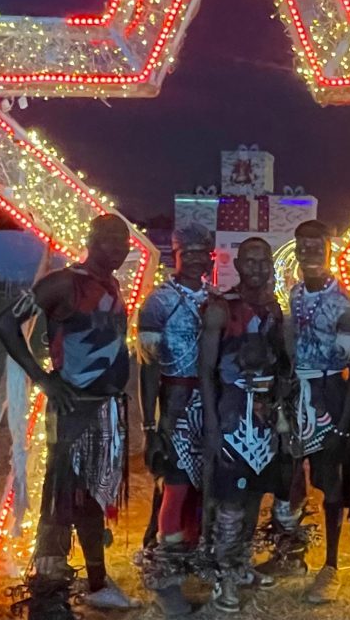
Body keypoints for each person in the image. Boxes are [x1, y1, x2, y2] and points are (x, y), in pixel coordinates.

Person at [0, 214, 137, 620]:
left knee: (91, 499)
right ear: (90, 240)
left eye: (123, 241)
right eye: (108, 238)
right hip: (74, 413)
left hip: (106, 410)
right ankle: (48, 597)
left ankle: (98, 585)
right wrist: (43, 378)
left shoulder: (112, 284)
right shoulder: (62, 283)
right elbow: (5, 322)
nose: (118, 247)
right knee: (60, 503)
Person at [259, 219, 350, 605]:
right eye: (302, 246)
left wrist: (342, 424)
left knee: (331, 483)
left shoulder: (345, 305)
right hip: (294, 400)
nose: (308, 252)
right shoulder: (294, 295)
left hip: (328, 399)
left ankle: (330, 567)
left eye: (315, 246)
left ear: (328, 249)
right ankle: (289, 554)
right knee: (287, 478)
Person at [199, 237, 293, 612]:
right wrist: (211, 425)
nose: (257, 267)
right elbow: (206, 371)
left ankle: (240, 565)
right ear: (237, 265)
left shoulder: (274, 308)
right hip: (233, 414)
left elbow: (281, 363)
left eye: (263, 260)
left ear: (271, 264)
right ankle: (223, 577)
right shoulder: (221, 308)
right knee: (231, 501)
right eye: (249, 261)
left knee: (254, 495)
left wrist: (281, 402)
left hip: (265, 417)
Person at [135, 223, 215, 617]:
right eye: (189, 252)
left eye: (203, 253)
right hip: (175, 406)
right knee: (176, 487)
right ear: (176, 255)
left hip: (213, 406)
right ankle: (166, 579)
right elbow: (148, 369)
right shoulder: (158, 301)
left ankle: (194, 568)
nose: (197, 259)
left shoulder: (217, 299)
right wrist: (151, 427)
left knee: (205, 491)